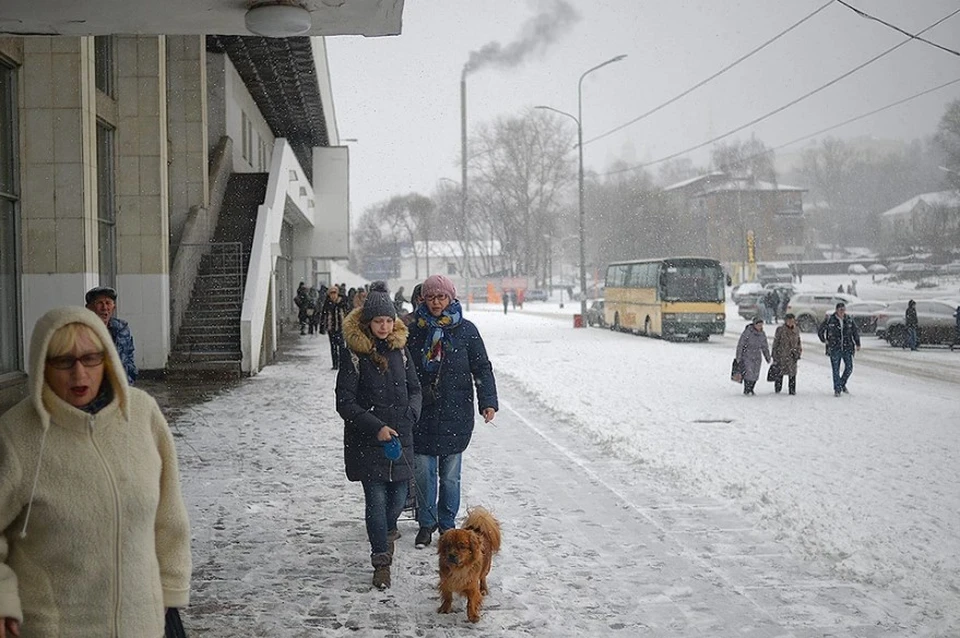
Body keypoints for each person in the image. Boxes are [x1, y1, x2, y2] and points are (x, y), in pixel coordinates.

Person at [0, 307, 191, 637]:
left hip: (145, 623)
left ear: (107, 358)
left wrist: (170, 591)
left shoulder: (143, 415)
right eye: (63, 361)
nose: (79, 375)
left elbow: (168, 515)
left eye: (90, 359)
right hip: (53, 628)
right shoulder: (16, 435)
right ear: (42, 364)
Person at [336, 282, 421, 590]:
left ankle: (384, 535)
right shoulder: (355, 356)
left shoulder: (402, 351)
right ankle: (381, 560)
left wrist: (412, 413)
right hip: (368, 441)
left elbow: (415, 389)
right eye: (378, 321)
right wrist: (376, 426)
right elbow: (345, 402)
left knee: (397, 499)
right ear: (368, 322)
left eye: (388, 321)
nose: (384, 326)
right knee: (376, 500)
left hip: (401, 437)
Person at [407, 275, 498, 548]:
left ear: (451, 298)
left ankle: (447, 524)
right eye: (431, 297)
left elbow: (482, 367)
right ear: (423, 298)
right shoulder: (412, 330)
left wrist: (488, 401)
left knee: (449, 475)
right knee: (424, 474)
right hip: (422, 412)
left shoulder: (466, 330)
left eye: (441, 297)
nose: (436, 303)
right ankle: (426, 523)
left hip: (456, 413)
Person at [85, 286, 138, 385]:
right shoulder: (82, 331)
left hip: (121, 386)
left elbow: (129, 357)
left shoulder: (122, 329)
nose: (105, 307)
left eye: (108, 303)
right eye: (100, 303)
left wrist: (129, 380)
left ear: (114, 307)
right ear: (89, 308)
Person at [818, 302, 861, 397]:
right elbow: (821, 330)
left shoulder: (849, 319)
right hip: (835, 348)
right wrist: (824, 340)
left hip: (847, 347)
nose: (842, 312)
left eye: (843, 310)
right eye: (840, 310)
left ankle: (842, 383)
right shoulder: (830, 319)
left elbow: (855, 332)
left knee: (849, 368)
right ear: (836, 310)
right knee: (835, 369)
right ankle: (837, 389)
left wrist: (857, 343)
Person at [736, 316, 771, 396]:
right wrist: (739, 356)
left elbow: (765, 346)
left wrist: (767, 357)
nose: (760, 327)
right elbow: (741, 344)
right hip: (747, 355)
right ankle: (747, 389)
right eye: (758, 325)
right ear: (754, 325)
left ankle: (751, 388)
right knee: (748, 373)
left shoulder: (762, 334)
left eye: (761, 325)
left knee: (755, 374)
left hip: (757, 356)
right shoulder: (747, 332)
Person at [319, 285, 349, 370]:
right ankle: (335, 364)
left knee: (342, 347)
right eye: (331, 293)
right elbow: (323, 315)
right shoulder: (327, 303)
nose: (333, 295)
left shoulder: (342, 302)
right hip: (331, 328)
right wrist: (322, 327)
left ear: (337, 293)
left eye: (334, 293)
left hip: (341, 328)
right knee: (333, 347)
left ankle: (342, 364)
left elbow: (348, 314)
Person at [771, 313, 802, 395]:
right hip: (782, 355)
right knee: (780, 372)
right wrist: (774, 354)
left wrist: (798, 352)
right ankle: (778, 388)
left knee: (792, 374)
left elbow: (798, 342)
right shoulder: (780, 330)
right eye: (789, 320)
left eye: (793, 321)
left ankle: (792, 390)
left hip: (793, 355)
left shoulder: (796, 330)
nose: (791, 322)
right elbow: (776, 342)